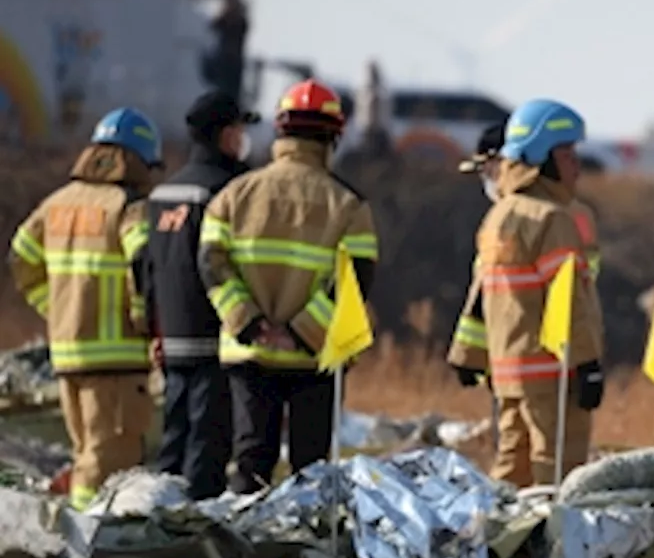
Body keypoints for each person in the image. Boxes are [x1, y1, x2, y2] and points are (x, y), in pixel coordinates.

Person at [198, 79, 379, 494]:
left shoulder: (232, 195)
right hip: (315, 358)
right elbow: (356, 280)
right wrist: (299, 332)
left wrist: (251, 324)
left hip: (249, 352)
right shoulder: (348, 204)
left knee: (251, 463)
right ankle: (304, 553)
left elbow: (211, 265)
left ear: (281, 132)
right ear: (333, 136)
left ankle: (246, 552)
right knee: (311, 474)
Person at [9, 107, 163, 510]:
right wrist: (145, 321)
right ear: (139, 160)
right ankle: (91, 551)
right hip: (117, 362)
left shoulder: (56, 204)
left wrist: (56, 309)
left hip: (68, 356)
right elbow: (143, 266)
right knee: (109, 464)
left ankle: (79, 541)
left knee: (85, 458)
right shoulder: (130, 206)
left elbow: (21, 257)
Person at [460, 99, 604, 487]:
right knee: (557, 474)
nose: (576, 164)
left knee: (512, 470)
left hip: (509, 374)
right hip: (555, 375)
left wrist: (467, 354)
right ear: (543, 158)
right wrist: (588, 363)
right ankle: (548, 548)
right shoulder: (553, 220)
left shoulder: (499, 216)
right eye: (568, 153)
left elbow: (484, 295)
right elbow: (569, 299)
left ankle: (495, 544)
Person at [146, 90, 260, 500]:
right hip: (217, 340)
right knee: (207, 451)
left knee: (173, 444)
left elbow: (146, 270)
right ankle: (190, 539)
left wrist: (152, 331)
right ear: (226, 135)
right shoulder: (228, 191)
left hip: (172, 339)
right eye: (241, 130)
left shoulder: (162, 195)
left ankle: (156, 521)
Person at [448, 121, 602, 383]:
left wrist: (585, 361)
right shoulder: (502, 217)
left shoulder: (556, 215)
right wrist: (471, 353)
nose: (487, 180)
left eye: (488, 170)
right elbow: (487, 291)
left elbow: (572, 291)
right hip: (510, 359)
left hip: (546, 361)